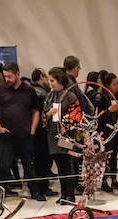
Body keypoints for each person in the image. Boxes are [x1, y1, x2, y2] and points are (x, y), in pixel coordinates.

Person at [0, 62, 48, 200]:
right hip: (6, 134)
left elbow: (36, 111)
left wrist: (32, 129)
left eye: (10, 76)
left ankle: (35, 191)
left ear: (17, 74)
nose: (7, 79)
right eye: (5, 76)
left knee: (29, 164)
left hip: (25, 134)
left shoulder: (29, 90)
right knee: (3, 164)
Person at [43, 67, 79, 203]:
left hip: (67, 136)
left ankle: (70, 195)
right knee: (59, 166)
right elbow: (44, 113)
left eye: (52, 80)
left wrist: (65, 124)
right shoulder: (50, 95)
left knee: (67, 165)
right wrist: (48, 114)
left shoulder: (70, 96)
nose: (50, 83)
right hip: (52, 135)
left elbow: (76, 116)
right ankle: (63, 194)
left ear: (59, 80)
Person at [96, 72, 118, 193]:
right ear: (107, 85)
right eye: (114, 84)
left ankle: (114, 179)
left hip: (116, 130)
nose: (117, 86)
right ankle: (103, 181)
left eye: (117, 83)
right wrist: (108, 110)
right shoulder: (101, 97)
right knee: (105, 157)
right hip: (105, 132)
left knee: (114, 156)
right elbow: (97, 118)